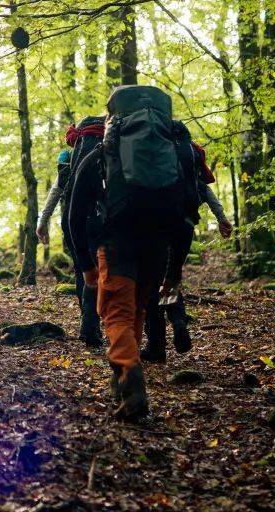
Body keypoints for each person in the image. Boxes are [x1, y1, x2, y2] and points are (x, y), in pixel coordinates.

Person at [68, 85, 187, 421]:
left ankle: (131, 379)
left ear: (113, 116)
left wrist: (86, 265)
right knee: (134, 309)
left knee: (116, 314)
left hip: (118, 242)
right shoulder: (178, 152)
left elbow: (75, 215)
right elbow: (187, 213)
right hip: (158, 247)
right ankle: (121, 379)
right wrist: (174, 270)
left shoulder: (103, 153)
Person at [141, 141, 233, 362]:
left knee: (152, 285)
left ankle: (156, 347)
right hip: (185, 227)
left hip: (158, 230)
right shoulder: (190, 167)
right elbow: (207, 192)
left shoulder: (152, 160)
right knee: (170, 278)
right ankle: (179, 321)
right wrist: (222, 219)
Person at [37, 116, 106, 346]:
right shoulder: (112, 152)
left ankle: (89, 326)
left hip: (73, 220)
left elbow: (56, 191)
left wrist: (42, 221)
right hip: (102, 219)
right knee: (104, 268)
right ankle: (105, 322)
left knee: (83, 270)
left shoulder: (70, 157)